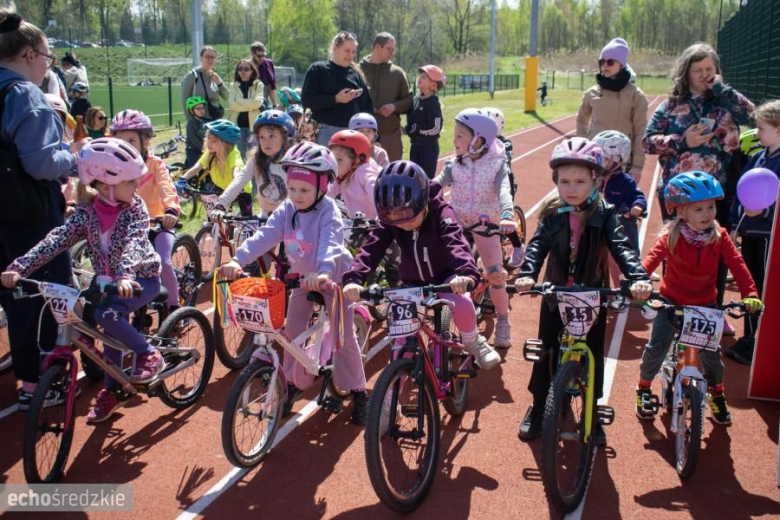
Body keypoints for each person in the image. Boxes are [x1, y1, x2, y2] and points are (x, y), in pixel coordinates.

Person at [2, 138, 165, 423]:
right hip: (108, 282)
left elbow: (134, 244)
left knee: (107, 314)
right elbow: (55, 241)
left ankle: (148, 353)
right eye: (130, 182)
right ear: (105, 186)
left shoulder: (135, 209)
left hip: (141, 277)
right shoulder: (86, 214)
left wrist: (126, 274)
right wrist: (20, 267)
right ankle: (112, 389)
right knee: (106, 327)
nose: (136, 188)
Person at [219, 142, 370, 424]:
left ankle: (360, 392)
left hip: (333, 279)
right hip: (304, 279)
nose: (297, 196)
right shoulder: (287, 209)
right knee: (292, 331)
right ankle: (289, 382)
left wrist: (324, 272)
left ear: (322, 187)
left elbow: (331, 243)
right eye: (292, 189)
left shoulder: (328, 212)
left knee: (344, 337)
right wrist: (238, 260)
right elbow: (265, 235)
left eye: (304, 190)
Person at [515, 137, 651, 444]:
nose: (571, 188)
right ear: (556, 182)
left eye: (579, 181)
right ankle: (538, 406)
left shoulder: (605, 213)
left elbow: (621, 247)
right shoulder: (551, 212)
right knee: (545, 349)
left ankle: (593, 411)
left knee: (593, 352)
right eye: (564, 181)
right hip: (555, 294)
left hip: (593, 294)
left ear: (596, 180)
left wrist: (638, 277)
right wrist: (527, 274)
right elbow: (537, 246)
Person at [342, 160, 501, 370]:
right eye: (393, 219)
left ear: (423, 201)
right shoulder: (393, 219)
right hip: (410, 282)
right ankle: (391, 393)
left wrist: (465, 273)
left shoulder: (442, 213)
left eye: (409, 217)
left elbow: (456, 241)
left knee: (461, 302)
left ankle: (473, 341)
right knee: (401, 346)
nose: (402, 224)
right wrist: (354, 278)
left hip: (447, 277)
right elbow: (372, 247)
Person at [643, 42, 754, 332]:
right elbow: (647, 141)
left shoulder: (726, 101)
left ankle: (713, 312)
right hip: (677, 191)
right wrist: (682, 141)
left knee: (716, 252)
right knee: (675, 248)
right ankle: (671, 308)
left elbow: (752, 117)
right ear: (686, 72)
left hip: (716, 191)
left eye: (710, 69)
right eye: (698, 70)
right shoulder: (672, 105)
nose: (704, 75)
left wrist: (722, 90)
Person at [0, 8, 80, 409]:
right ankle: (40, 382)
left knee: (11, 294)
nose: (48, 67)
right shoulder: (23, 94)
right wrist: (74, 159)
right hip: (29, 215)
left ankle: (24, 365)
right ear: (30, 54)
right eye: (48, 58)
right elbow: (41, 162)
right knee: (44, 294)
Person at [637, 171, 762, 426]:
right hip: (671, 301)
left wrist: (750, 294)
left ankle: (717, 394)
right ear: (682, 212)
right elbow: (651, 260)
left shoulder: (720, 235)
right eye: (699, 209)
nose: (707, 214)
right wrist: (637, 281)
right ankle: (643, 388)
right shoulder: (671, 235)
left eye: (711, 207)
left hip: (705, 304)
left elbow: (737, 264)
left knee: (711, 355)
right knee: (656, 347)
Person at [433, 109, 515, 348]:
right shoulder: (454, 164)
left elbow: (504, 191)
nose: (454, 141)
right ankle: (445, 318)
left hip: (486, 223)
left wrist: (508, 215)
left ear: (478, 140)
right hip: (457, 222)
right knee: (445, 271)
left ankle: (502, 318)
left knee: (495, 273)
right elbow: (435, 185)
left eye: (460, 136)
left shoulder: (496, 165)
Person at [110, 110, 181, 312]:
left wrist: (171, 211)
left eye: (131, 140)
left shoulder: (155, 164)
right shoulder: (113, 165)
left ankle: (174, 305)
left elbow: (167, 187)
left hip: (157, 223)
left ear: (146, 141)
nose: (125, 145)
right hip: (127, 227)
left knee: (164, 263)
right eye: (120, 140)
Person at [727, 100, 780, 365]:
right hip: (750, 233)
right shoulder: (759, 157)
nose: (757, 134)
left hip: (770, 236)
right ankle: (749, 337)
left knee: (767, 289)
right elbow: (742, 190)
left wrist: (766, 212)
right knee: (751, 288)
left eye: (762, 128)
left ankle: (762, 342)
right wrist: (735, 223)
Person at [577, 38, 647, 181]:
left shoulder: (636, 95)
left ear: (621, 64)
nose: (605, 66)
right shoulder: (592, 93)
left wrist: (637, 166)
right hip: (594, 160)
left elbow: (641, 131)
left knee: (619, 202)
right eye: (602, 61)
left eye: (610, 62)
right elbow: (581, 120)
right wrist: (583, 146)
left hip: (622, 163)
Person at [213, 110, 297, 219]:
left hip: (291, 218)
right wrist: (222, 204)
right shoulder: (256, 160)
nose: (266, 141)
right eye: (262, 137)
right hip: (266, 217)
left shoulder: (294, 162)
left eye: (271, 136)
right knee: (241, 234)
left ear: (286, 138)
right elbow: (239, 180)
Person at [301, 31, 374, 146]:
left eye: (353, 52)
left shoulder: (356, 74)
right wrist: (335, 99)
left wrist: (373, 134)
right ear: (335, 48)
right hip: (325, 132)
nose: (350, 55)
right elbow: (307, 101)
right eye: (346, 51)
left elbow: (366, 107)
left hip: (353, 132)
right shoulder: (318, 69)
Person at [176, 119, 252, 217]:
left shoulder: (233, 155)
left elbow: (236, 172)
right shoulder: (210, 153)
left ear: (225, 144)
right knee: (213, 215)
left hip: (241, 190)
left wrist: (238, 185)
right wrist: (182, 179)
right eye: (207, 139)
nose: (208, 144)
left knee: (247, 222)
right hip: (220, 186)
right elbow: (197, 167)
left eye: (214, 141)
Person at [358, 32, 412, 161]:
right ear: (377, 47)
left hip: (390, 137)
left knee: (391, 176)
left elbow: (409, 100)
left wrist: (394, 107)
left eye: (393, 50)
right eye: (389, 49)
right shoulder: (357, 70)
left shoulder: (398, 73)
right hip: (361, 134)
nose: (392, 53)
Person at [327, 129, 380, 219]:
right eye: (332, 158)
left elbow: (377, 192)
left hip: (377, 225)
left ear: (357, 160)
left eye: (339, 159)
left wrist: (382, 214)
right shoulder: (342, 175)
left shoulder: (364, 172)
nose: (334, 163)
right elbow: (328, 193)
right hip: (358, 224)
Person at [406, 65, 444, 179]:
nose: (420, 78)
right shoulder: (416, 99)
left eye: (424, 77)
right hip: (415, 146)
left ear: (433, 85)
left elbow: (436, 128)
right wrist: (407, 129)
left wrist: (418, 129)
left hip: (428, 148)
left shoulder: (433, 103)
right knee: (413, 178)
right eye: (420, 76)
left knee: (425, 180)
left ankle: (428, 197)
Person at [228, 59, 264, 160]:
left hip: (254, 127)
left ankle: (255, 175)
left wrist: (239, 100)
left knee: (255, 155)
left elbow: (257, 103)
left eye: (246, 69)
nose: (243, 71)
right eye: (240, 69)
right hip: (237, 127)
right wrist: (251, 106)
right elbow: (232, 106)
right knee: (240, 156)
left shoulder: (258, 85)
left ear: (252, 71)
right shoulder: (233, 85)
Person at [181, 46, 229, 121]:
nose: (210, 59)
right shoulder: (192, 76)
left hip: (215, 120)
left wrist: (220, 84)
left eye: (213, 57)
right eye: (207, 56)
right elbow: (184, 100)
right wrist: (191, 121)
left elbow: (227, 97)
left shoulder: (215, 76)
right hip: (199, 121)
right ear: (201, 58)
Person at [184, 96, 212, 168]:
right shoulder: (191, 123)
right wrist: (205, 149)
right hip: (193, 150)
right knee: (195, 170)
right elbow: (194, 140)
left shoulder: (205, 121)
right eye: (198, 108)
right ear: (191, 111)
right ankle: (190, 179)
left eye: (202, 108)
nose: (201, 110)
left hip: (204, 149)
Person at [250, 42, 277, 108]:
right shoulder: (246, 67)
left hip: (264, 102)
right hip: (250, 103)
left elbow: (271, 87)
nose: (261, 58)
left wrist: (274, 104)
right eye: (259, 56)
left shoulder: (268, 64)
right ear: (252, 54)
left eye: (263, 55)